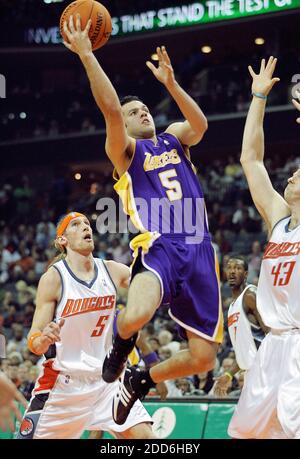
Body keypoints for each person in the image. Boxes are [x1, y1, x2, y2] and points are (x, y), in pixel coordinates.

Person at [63, 15, 223, 425]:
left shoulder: (173, 136)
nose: (142, 113)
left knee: (203, 359)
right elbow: (112, 111)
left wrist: (172, 85)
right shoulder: (128, 153)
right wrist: (86, 54)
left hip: (201, 248)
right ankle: (120, 345)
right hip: (161, 244)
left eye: (145, 108)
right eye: (136, 112)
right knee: (135, 316)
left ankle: (140, 377)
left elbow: (201, 125)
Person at [17, 212, 154, 439]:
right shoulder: (53, 279)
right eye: (76, 225)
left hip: (108, 382)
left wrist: (155, 257)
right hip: (63, 385)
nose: (85, 227)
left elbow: (153, 285)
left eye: (87, 224)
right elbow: (34, 340)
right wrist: (43, 339)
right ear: (62, 240)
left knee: (147, 439)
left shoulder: (112, 270)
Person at [228, 57, 300, 439]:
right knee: (247, 433)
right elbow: (251, 159)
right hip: (271, 345)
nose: (290, 174)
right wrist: (258, 97)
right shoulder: (279, 219)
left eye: (298, 173)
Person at [213, 255, 268, 398]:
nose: (232, 272)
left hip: (266, 371)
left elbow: (271, 334)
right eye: (229, 268)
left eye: (237, 268)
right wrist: (228, 375)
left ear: (246, 274)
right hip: (251, 373)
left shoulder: (250, 295)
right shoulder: (232, 307)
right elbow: (244, 351)